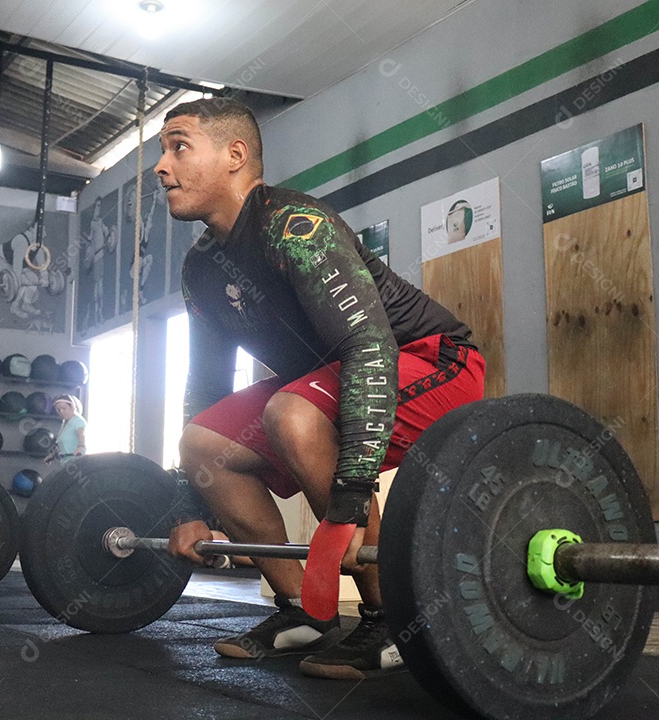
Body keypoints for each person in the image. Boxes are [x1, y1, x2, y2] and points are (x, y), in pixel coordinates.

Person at [154, 98, 485, 680]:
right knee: (203, 443)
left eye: (178, 146)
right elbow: (205, 385)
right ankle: (302, 612)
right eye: (163, 151)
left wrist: (350, 499)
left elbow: (368, 346)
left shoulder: (296, 227)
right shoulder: (201, 268)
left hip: (432, 361)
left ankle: (390, 621)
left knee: (294, 413)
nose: (162, 165)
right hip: (315, 387)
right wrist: (189, 505)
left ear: (235, 156)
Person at [45, 394, 86, 464]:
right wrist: (52, 455)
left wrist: (81, 446)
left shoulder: (78, 421)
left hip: (77, 462)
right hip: (66, 462)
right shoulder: (65, 422)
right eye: (58, 410)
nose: (61, 411)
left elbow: (82, 434)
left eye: (64, 408)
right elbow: (61, 445)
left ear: (72, 407)